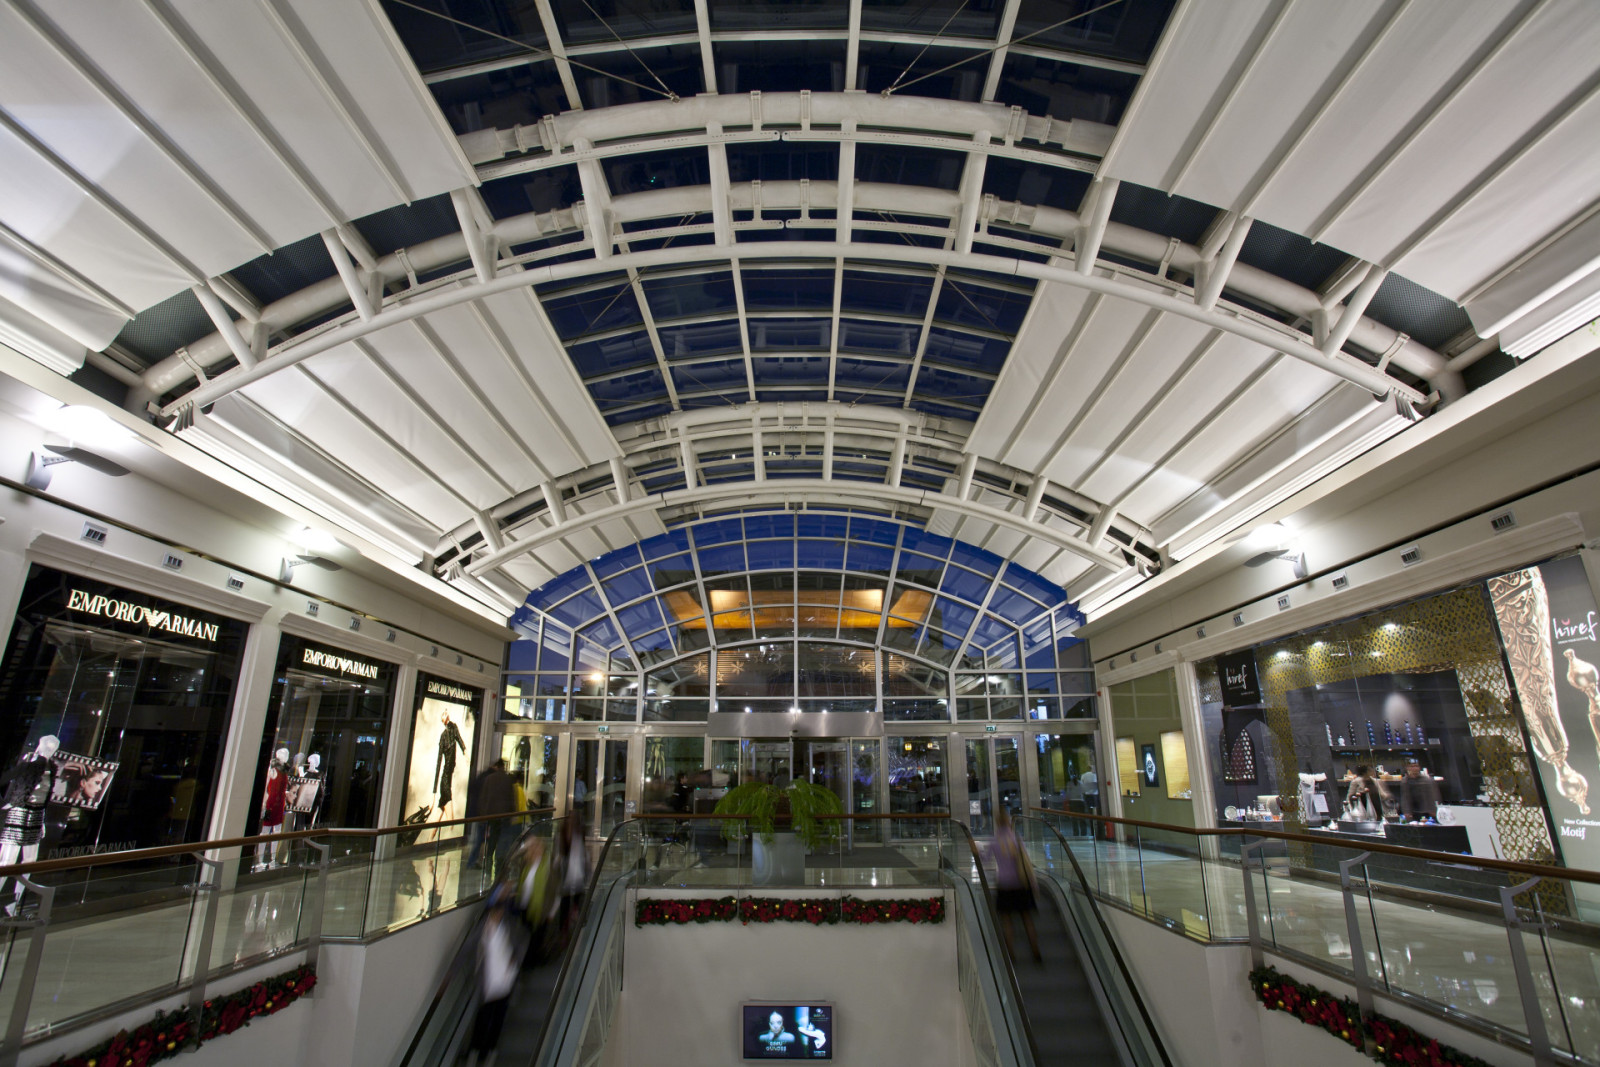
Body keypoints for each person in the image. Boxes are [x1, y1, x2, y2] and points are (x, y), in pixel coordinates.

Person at [467, 895, 523, 1066]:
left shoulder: (508, 928)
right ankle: (476, 1052)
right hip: (489, 984)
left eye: (499, 913)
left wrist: (514, 959)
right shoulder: (481, 932)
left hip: (505, 982)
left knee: (497, 1018)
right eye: (495, 913)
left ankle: (489, 1052)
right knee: (483, 1019)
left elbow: (518, 945)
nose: (498, 916)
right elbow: (466, 951)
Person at [991, 809, 1041, 962]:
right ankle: (1035, 952)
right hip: (1021, 884)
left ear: (997, 823)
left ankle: (1011, 955)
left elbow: (985, 859)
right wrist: (1034, 885)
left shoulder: (994, 841)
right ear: (1009, 822)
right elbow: (1026, 865)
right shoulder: (1017, 840)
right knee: (1027, 918)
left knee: (1007, 921)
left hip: (1004, 885)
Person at [478, 760, 518, 878]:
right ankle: (499, 865)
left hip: (493, 815)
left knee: (492, 839)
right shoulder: (508, 780)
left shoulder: (489, 779)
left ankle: (489, 862)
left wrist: (483, 815)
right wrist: (513, 813)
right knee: (503, 839)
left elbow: (484, 797)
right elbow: (512, 798)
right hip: (505, 815)